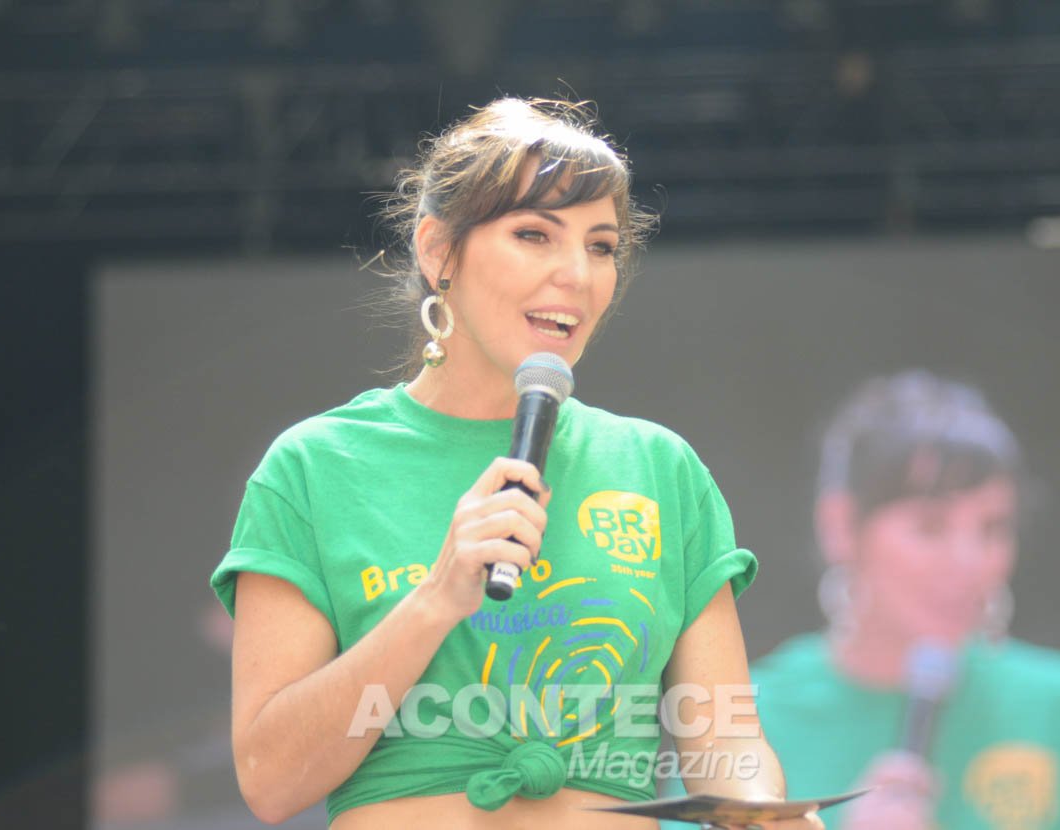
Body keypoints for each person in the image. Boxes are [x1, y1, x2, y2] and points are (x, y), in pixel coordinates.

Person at [210, 98, 823, 830]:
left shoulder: (660, 468)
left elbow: (723, 740)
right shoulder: (315, 468)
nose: (577, 274)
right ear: (439, 250)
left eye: (602, 247)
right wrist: (436, 599)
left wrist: (763, 814)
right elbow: (272, 780)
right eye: (535, 235)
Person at [666, 371, 1060, 830]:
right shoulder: (742, 723)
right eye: (931, 527)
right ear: (841, 525)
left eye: (992, 528)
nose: (968, 561)